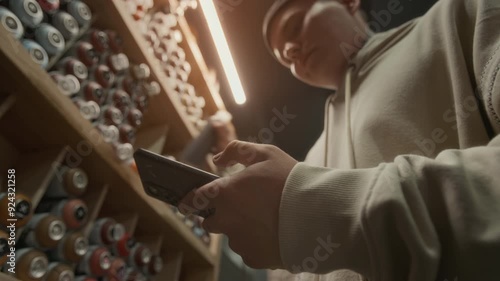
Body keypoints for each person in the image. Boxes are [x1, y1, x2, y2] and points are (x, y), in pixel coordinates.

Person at [179, 0, 500, 280]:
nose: (290, 52)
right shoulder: (311, 159)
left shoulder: (457, 17)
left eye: (294, 26)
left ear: (347, 1)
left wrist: (317, 206)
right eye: (283, 58)